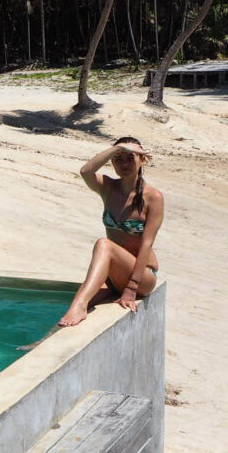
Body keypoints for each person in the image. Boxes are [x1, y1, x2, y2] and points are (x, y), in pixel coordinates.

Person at [58, 136, 163, 327]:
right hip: (115, 275)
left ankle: (79, 306)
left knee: (103, 244)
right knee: (77, 304)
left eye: (130, 158)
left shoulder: (153, 197)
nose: (124, 164)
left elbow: (147, 244)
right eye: (118, 159)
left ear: (142, 160)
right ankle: (39, 343)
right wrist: (117, 149)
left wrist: (131, 288)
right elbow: (85, 171)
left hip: (142, 277)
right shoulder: (108, 187)